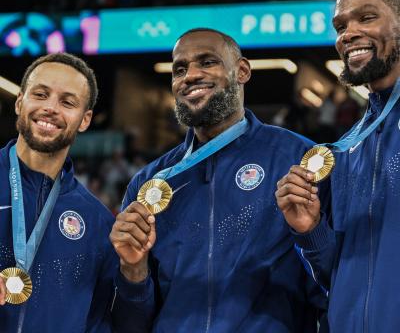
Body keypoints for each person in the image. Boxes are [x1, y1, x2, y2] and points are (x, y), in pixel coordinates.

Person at [110, 28, 326, 332]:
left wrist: (313, 234)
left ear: (242, 71)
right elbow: (131, 323)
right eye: (180, 69)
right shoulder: (150, 183)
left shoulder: (298, 158)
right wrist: (132, 270)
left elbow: (334, 286)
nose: (190, 76)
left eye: (207, 62)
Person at [275, 0, 400, 333]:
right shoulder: (344, 151)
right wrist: (310, 230)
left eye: (367, 18)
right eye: (341, 26)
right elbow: (336, 277)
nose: (348, 33)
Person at [0, 53, 118, 332]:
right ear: (20, 102)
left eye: (67, 102)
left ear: (85, 119)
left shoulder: (98, 222)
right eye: (40, 94)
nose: (50, 108)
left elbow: (99, 321)